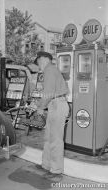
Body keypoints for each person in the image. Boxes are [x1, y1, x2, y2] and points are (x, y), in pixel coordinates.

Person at [35, 51, 69, 179]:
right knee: (49, 137)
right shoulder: (51, 70)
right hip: (55, 104)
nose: (38, 64)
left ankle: (56, 170)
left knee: (55, 139)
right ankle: (46, 164)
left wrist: (40, 107)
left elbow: (48, 92)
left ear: (43, 59)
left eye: (38, 61)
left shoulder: (49, 70)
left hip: (57, 105)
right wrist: (41, 104)